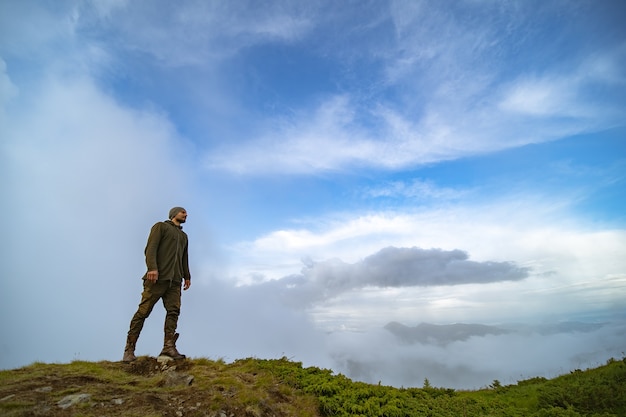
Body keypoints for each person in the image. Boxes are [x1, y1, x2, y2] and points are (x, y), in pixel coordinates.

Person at [123, 207, 192, 362]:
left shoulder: (183, 236)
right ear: (174, 214)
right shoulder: (160, 226)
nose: (186, 215)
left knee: (173, 312)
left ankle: (168, 347)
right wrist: (152, 268)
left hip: (175, 281)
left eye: (186, 213)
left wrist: (186, 275)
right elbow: (150, 248)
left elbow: (184, 257)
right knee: (143, 312)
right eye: (183, 212)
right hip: (156, 279)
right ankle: (129, 349)